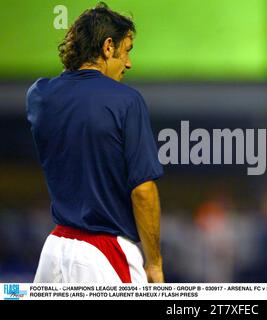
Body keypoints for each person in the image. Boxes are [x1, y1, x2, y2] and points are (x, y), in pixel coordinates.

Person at [26, 3, 164, 283]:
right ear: (108, 47)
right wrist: (154, 264)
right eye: (127, 51)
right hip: (105, 255)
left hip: (53, 251)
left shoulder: (39, 96)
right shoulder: (127, 101)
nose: (128, 63)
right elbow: (143, 191)